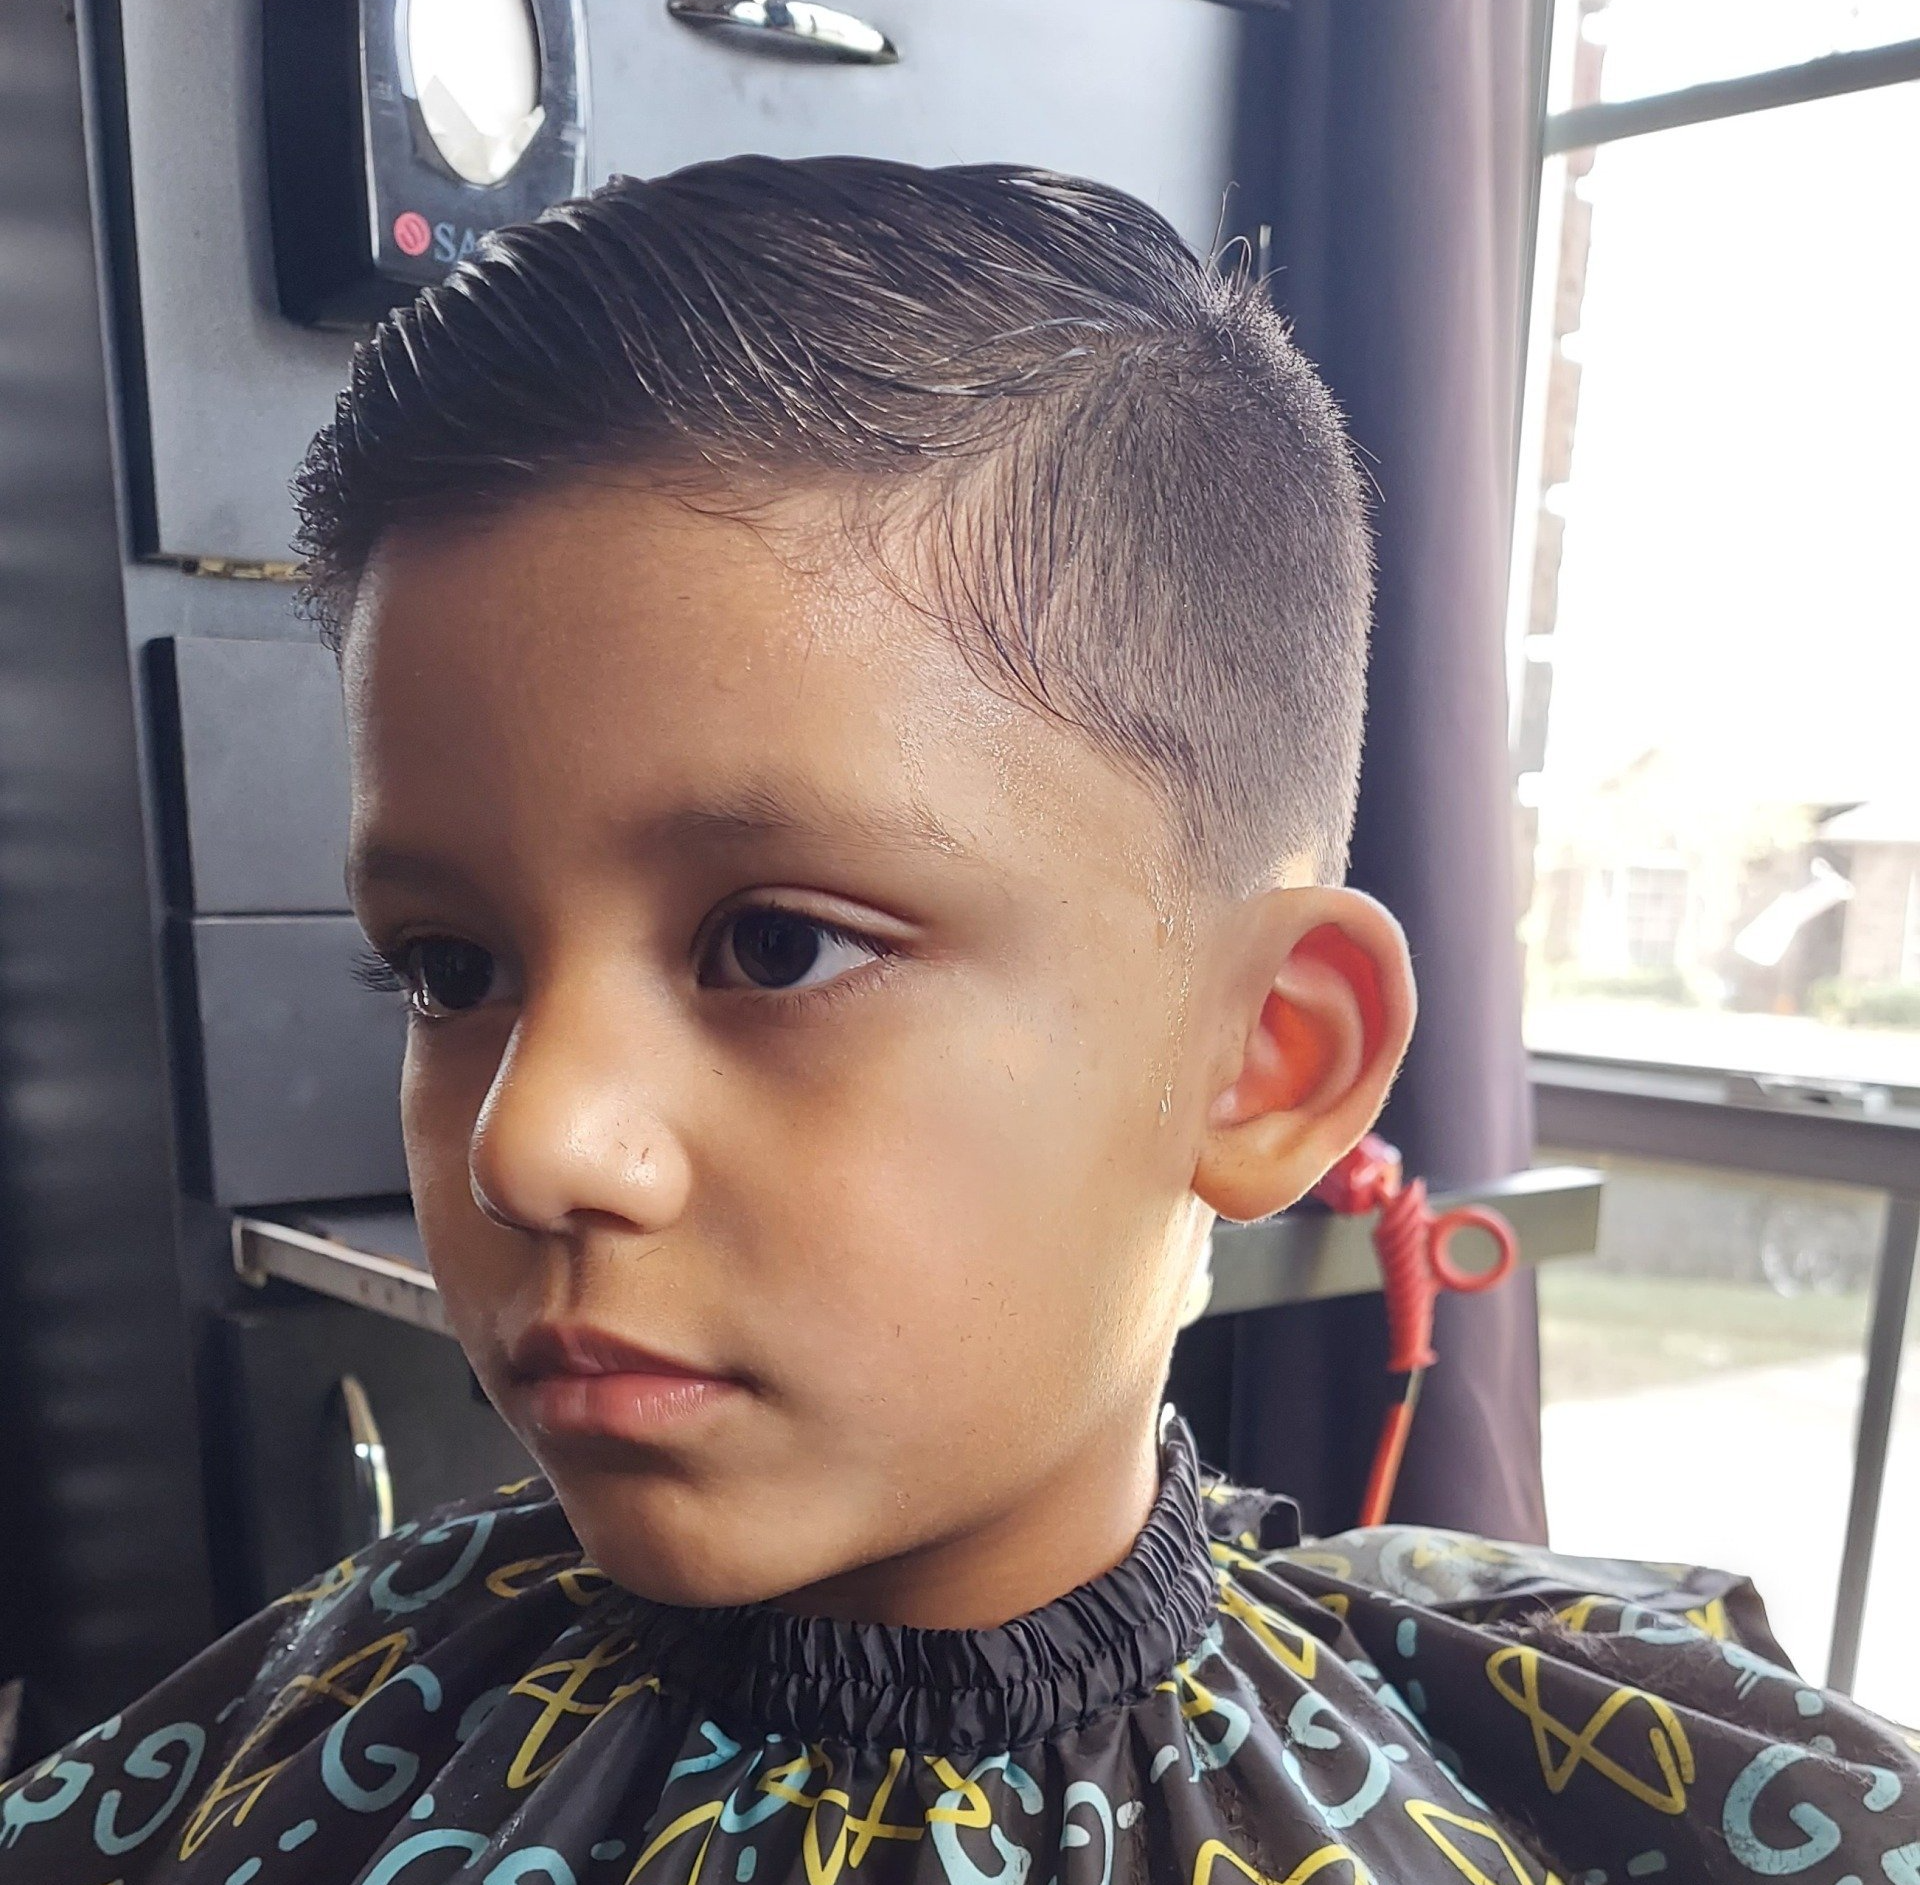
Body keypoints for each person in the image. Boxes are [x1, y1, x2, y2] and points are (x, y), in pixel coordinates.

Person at [2, 155, 1913, 1884]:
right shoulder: (323, 1723)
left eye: (774, 948)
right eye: (453, 969)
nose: (529, 1138)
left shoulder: (1628, 1799)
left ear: (1267, 1058)